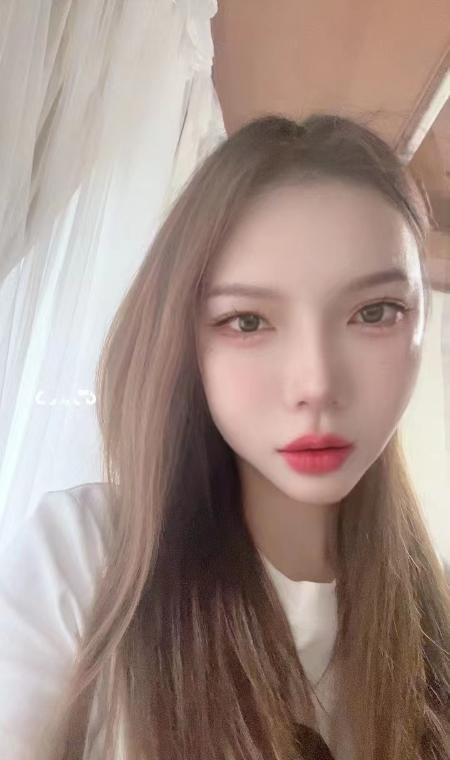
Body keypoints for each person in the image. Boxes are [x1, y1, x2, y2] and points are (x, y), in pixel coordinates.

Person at [0, 114, 449, 760]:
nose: (316, 384)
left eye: (374, 313)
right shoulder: (86, 560)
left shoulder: (436, 616)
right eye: (248, 322)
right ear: (185, 340)